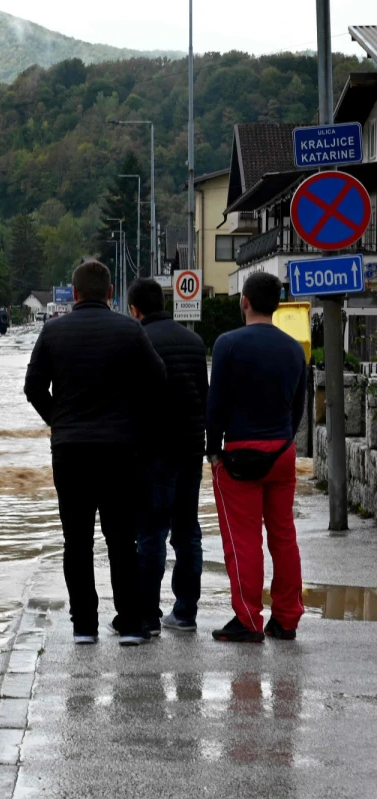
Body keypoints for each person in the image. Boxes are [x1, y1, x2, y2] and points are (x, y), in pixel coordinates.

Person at [25, 260, 166, 646]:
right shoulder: (130, 330)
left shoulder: (52, 331)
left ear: (73, 294)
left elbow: (33, 386)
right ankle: (132, 623)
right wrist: (130, 420)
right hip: (120, 451)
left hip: (70, 451)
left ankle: (84, 625)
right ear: (109, 294)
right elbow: (158, 380)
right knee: (121, 537)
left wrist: (60, 418)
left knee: (77, 540)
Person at [207, 272, 307, 643]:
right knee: (284, 535)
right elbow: (299, 406)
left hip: (239, 454)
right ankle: (287, 620)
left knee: (243, 540)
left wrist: (213, 450)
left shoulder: (227, 344)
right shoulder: (294, 348)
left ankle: (248, 619)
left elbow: (215, 403)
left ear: (244, 301)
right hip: (281, 451)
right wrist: (284, 438)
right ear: (277, 304)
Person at [127, 278, 208, 635]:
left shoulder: (136, 342)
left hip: (152, 452)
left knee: (151, 534)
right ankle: (186, 612)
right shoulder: (194, 342)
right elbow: (203, 398)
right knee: (187, 533)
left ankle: (148, 615)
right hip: (190, 449)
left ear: (134, 310)